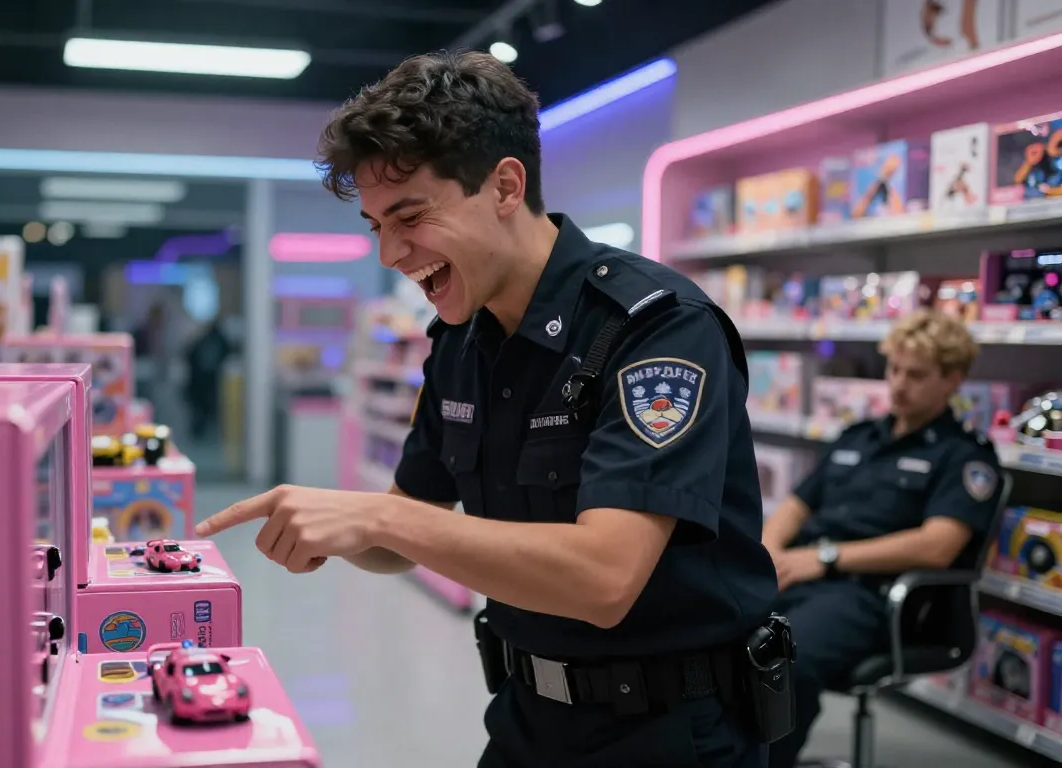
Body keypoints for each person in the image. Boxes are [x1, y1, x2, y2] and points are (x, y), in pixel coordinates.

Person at [196, 50, 783, 767]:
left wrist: (381, 517)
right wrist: (335, 527)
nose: (388, 253)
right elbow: (407, 527)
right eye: (375, 225)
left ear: (506, 185)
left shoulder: (655, 328)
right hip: (524, 719)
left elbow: (605, 578)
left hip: (673, 734)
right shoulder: (460, 344)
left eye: (409, 216)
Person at [763, 310, 1003, 768]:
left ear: (953, 379)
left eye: (915, 375)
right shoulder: (858, 437)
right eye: (893, 369)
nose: (897, 384)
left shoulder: (965, 456)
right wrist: (769, 551)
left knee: (783, 660)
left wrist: (827, 557)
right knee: (717, 636)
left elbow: (939, 545)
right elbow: (794, 506)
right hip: (801, 577)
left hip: (871, 598)